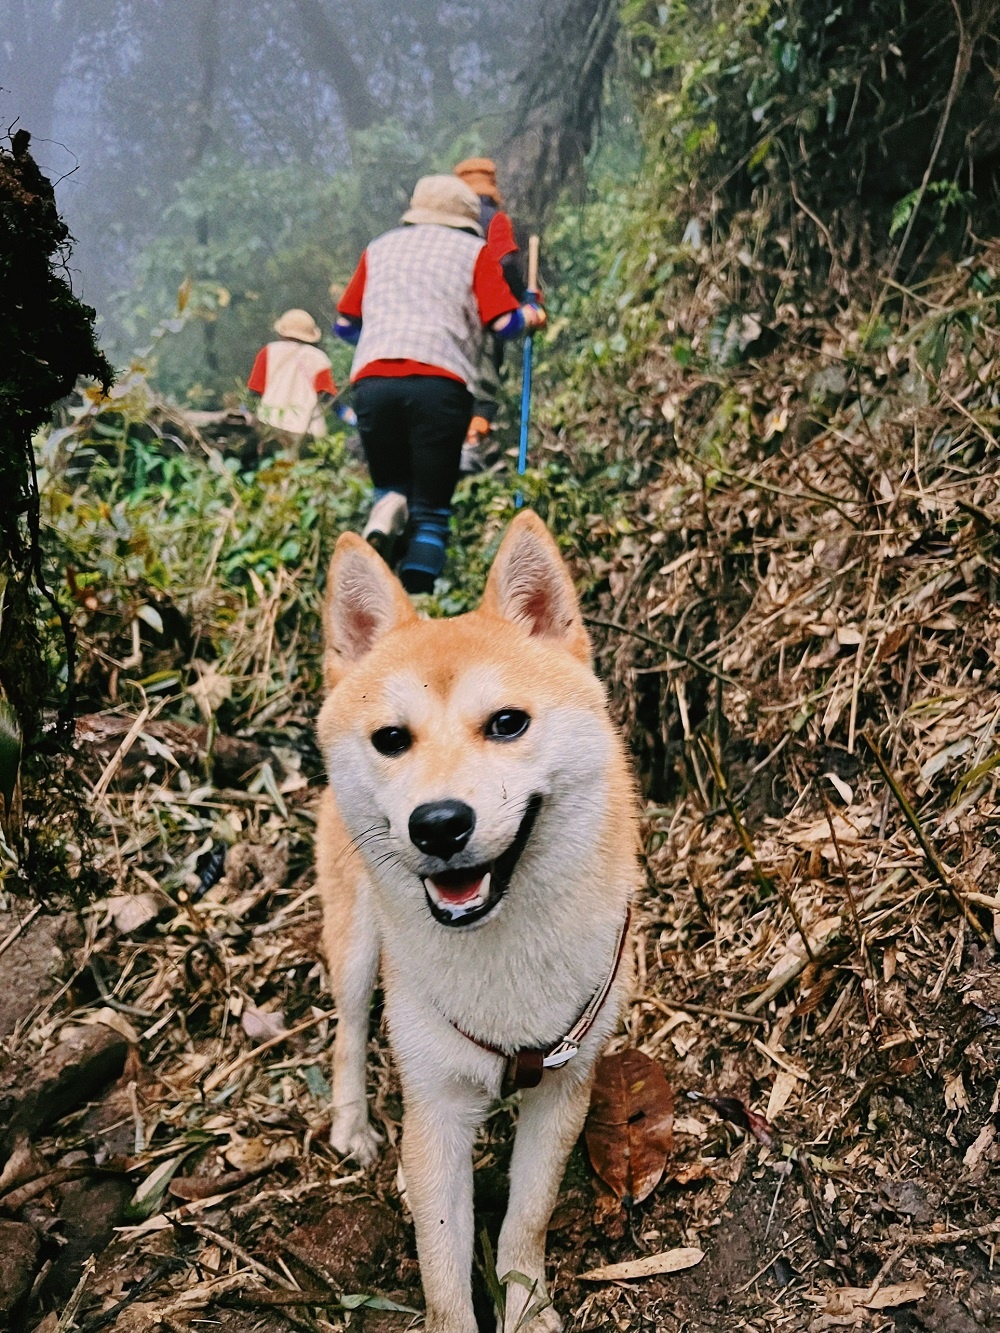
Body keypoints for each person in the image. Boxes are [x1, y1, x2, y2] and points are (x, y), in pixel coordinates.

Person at [334, 174, 545, 594]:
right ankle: (420, 593)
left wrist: (385, 332)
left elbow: (344, 325)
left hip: (373, 382)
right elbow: (503, 324)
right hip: (439, 385)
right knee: (431, 511)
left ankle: (387, 510)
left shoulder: (378, 249)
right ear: (467, 217)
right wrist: (532, 313)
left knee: (391, 485)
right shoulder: (475, 252)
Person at [453, 157, 527, 471]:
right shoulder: (494, 220)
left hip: (444, 316)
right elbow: (506, 262)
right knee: (483, 387)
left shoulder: (445, 225)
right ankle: (471, 449)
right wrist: (522, 300)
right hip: (484, 313)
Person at [247, 309, 338, 451]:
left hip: (270, 425)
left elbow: (254, 391)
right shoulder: (319, 358)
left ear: (281, 333)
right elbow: (327, 396)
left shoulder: (268, 352)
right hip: (307, 430)